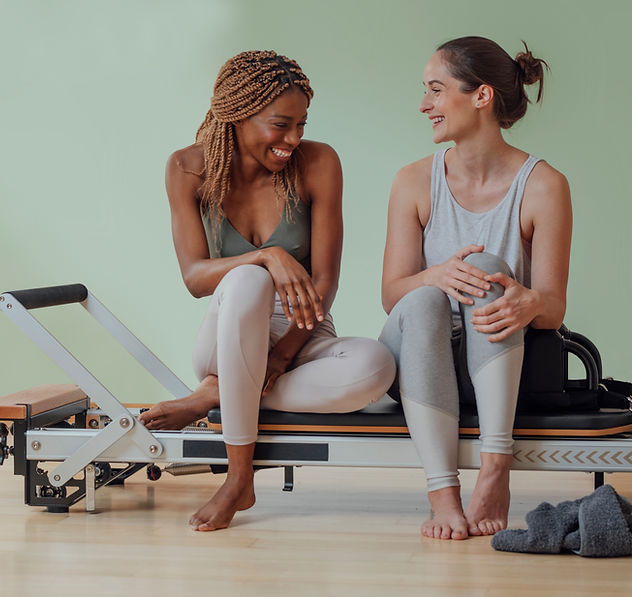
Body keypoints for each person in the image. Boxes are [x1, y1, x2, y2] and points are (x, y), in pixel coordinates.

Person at [137, 50, 395, 532]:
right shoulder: (187, 168)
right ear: (238, 114)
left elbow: (324, 282)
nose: (293, 139)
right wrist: (267, 256)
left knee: (377, 366)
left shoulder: (319, 162)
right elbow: (195, 277)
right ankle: (239, 478)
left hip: (304, 335)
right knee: (250, 278)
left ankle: (215, 397)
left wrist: (280, 358)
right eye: (281, 124)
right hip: (231, 331)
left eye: (301, 124)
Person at [378, 37, 572, 540]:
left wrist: (530, 302)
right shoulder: (413, 181)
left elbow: (552, 309)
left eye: (436, 91)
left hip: (495, 371)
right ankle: (441, 494)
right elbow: (392, 296)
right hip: (422, 363)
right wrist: (435, 275)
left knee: (488, 267)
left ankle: (494, 468)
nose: (425, 105)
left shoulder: (544, 185)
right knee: (423, 296)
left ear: (481, 96)